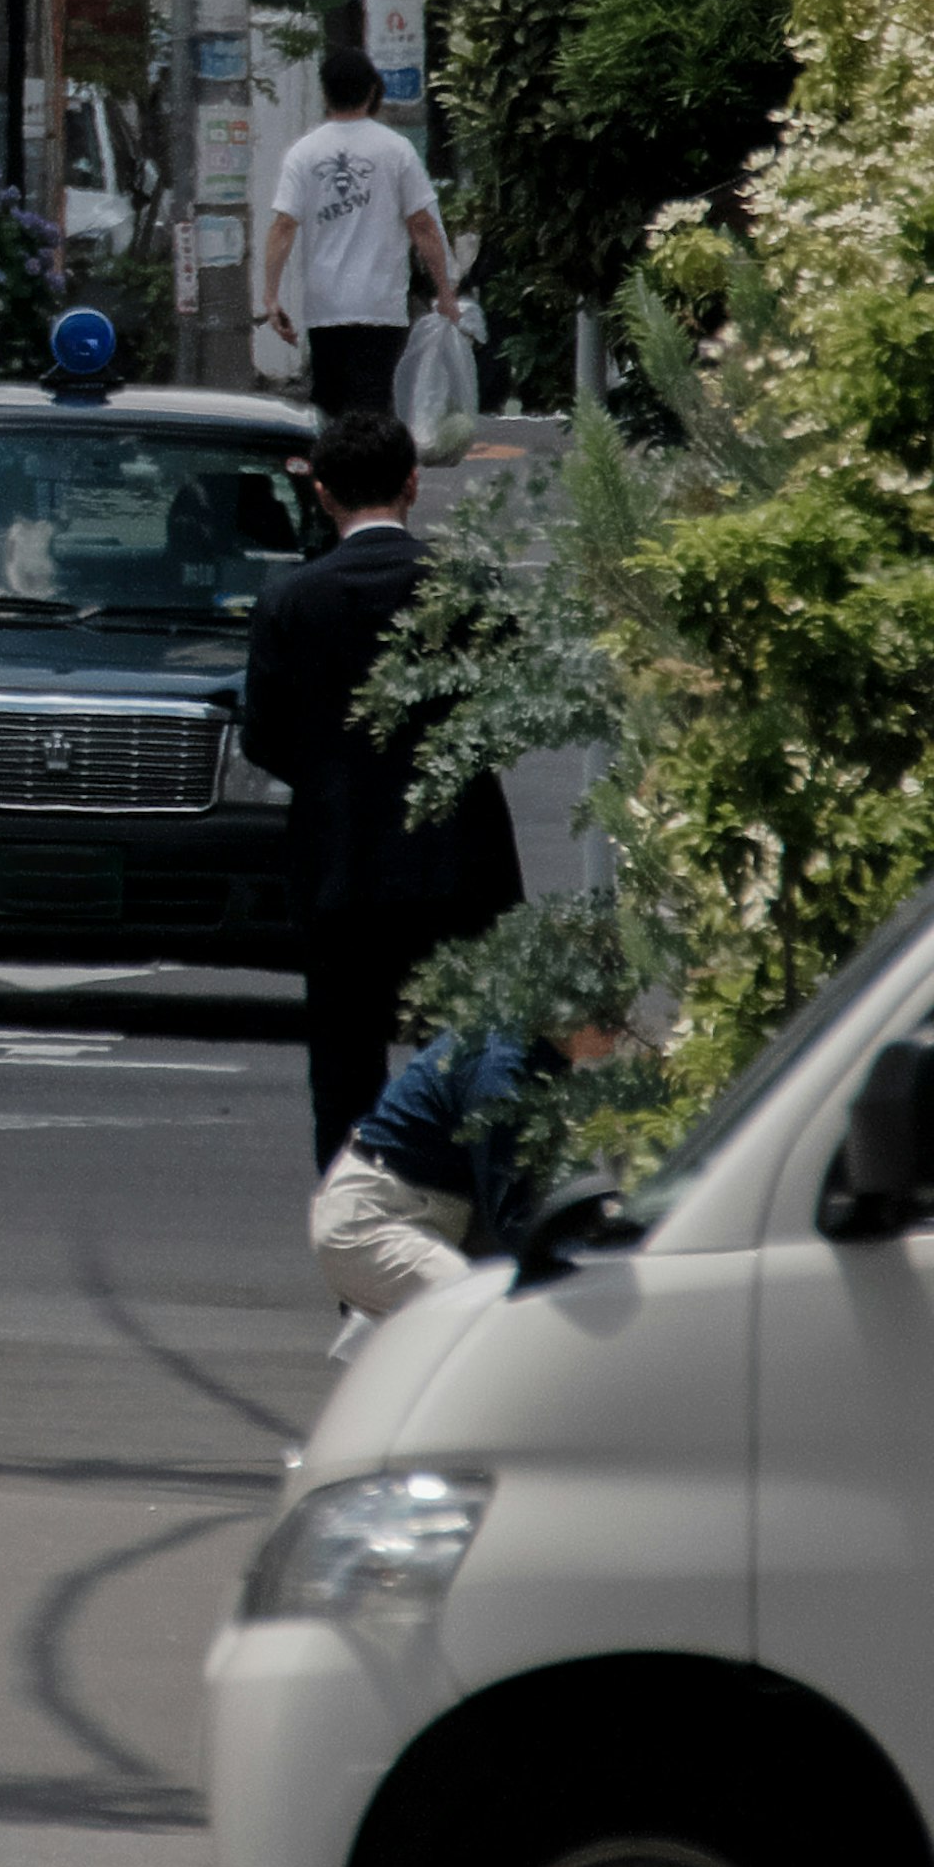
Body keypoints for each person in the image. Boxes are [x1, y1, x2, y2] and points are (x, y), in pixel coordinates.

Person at [241, 403, 524, 1165]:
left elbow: (263, 735)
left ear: (322, 491)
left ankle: (358, 1252)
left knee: (343, 1080)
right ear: (412, 481)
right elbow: (512, 713)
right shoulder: (465, 584)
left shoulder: (289, 601)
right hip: (460, 865)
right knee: (471, 1069)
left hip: (339, 870)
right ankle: (465, 1239)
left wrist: (335, 777)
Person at [312, 1015, 626, 1325]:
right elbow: (513, 1217)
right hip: (375, 1222)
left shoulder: (535, 1050)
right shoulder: (502, 1076)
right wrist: (598, 1247)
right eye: (606, 1014)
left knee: (515, 1298)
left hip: (432, 1208)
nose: (620, 1026)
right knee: (480, 1315)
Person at [259, 46, 459, 420]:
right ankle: (370, 476)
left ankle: (333, 477)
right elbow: (423, 226)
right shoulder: (396, 150)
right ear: (371, 91)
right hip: (381, 307)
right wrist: (445, 292)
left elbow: (283, 226)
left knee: (329, 411)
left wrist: (271, 297)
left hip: (326, 309)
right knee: (372, 407)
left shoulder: (304, 153)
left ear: (324, 92)